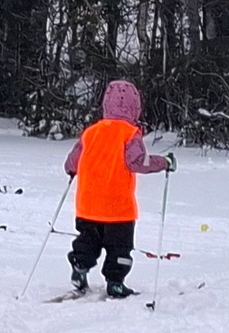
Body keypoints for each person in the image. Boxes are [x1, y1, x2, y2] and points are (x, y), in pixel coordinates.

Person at [65, 79, 174, 298]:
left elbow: (72, 163)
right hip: (118, 208)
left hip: (88, 205)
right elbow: (137, 162)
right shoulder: (129, 133)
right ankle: (115, 282)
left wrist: (72, 170)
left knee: (87, 240)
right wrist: (164, 162)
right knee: (119, 247)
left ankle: (79, 267)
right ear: (135, 108)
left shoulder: (91, 132)